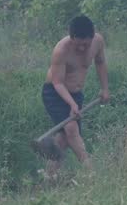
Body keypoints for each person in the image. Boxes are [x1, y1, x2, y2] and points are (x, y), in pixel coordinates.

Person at [42, 14, 108, 176]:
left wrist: (105, 88)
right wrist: (71, 104)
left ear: (92, 37)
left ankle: (49, 177)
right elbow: (58, 83)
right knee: (71, 129)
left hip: (76, 94)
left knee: (64, 139)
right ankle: (91, 172)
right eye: (78, 45)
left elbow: (100, 62)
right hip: (55, 94)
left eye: (85, 45)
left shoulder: (98, 42)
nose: (81, 49)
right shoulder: (61, 50)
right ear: (71, 37)